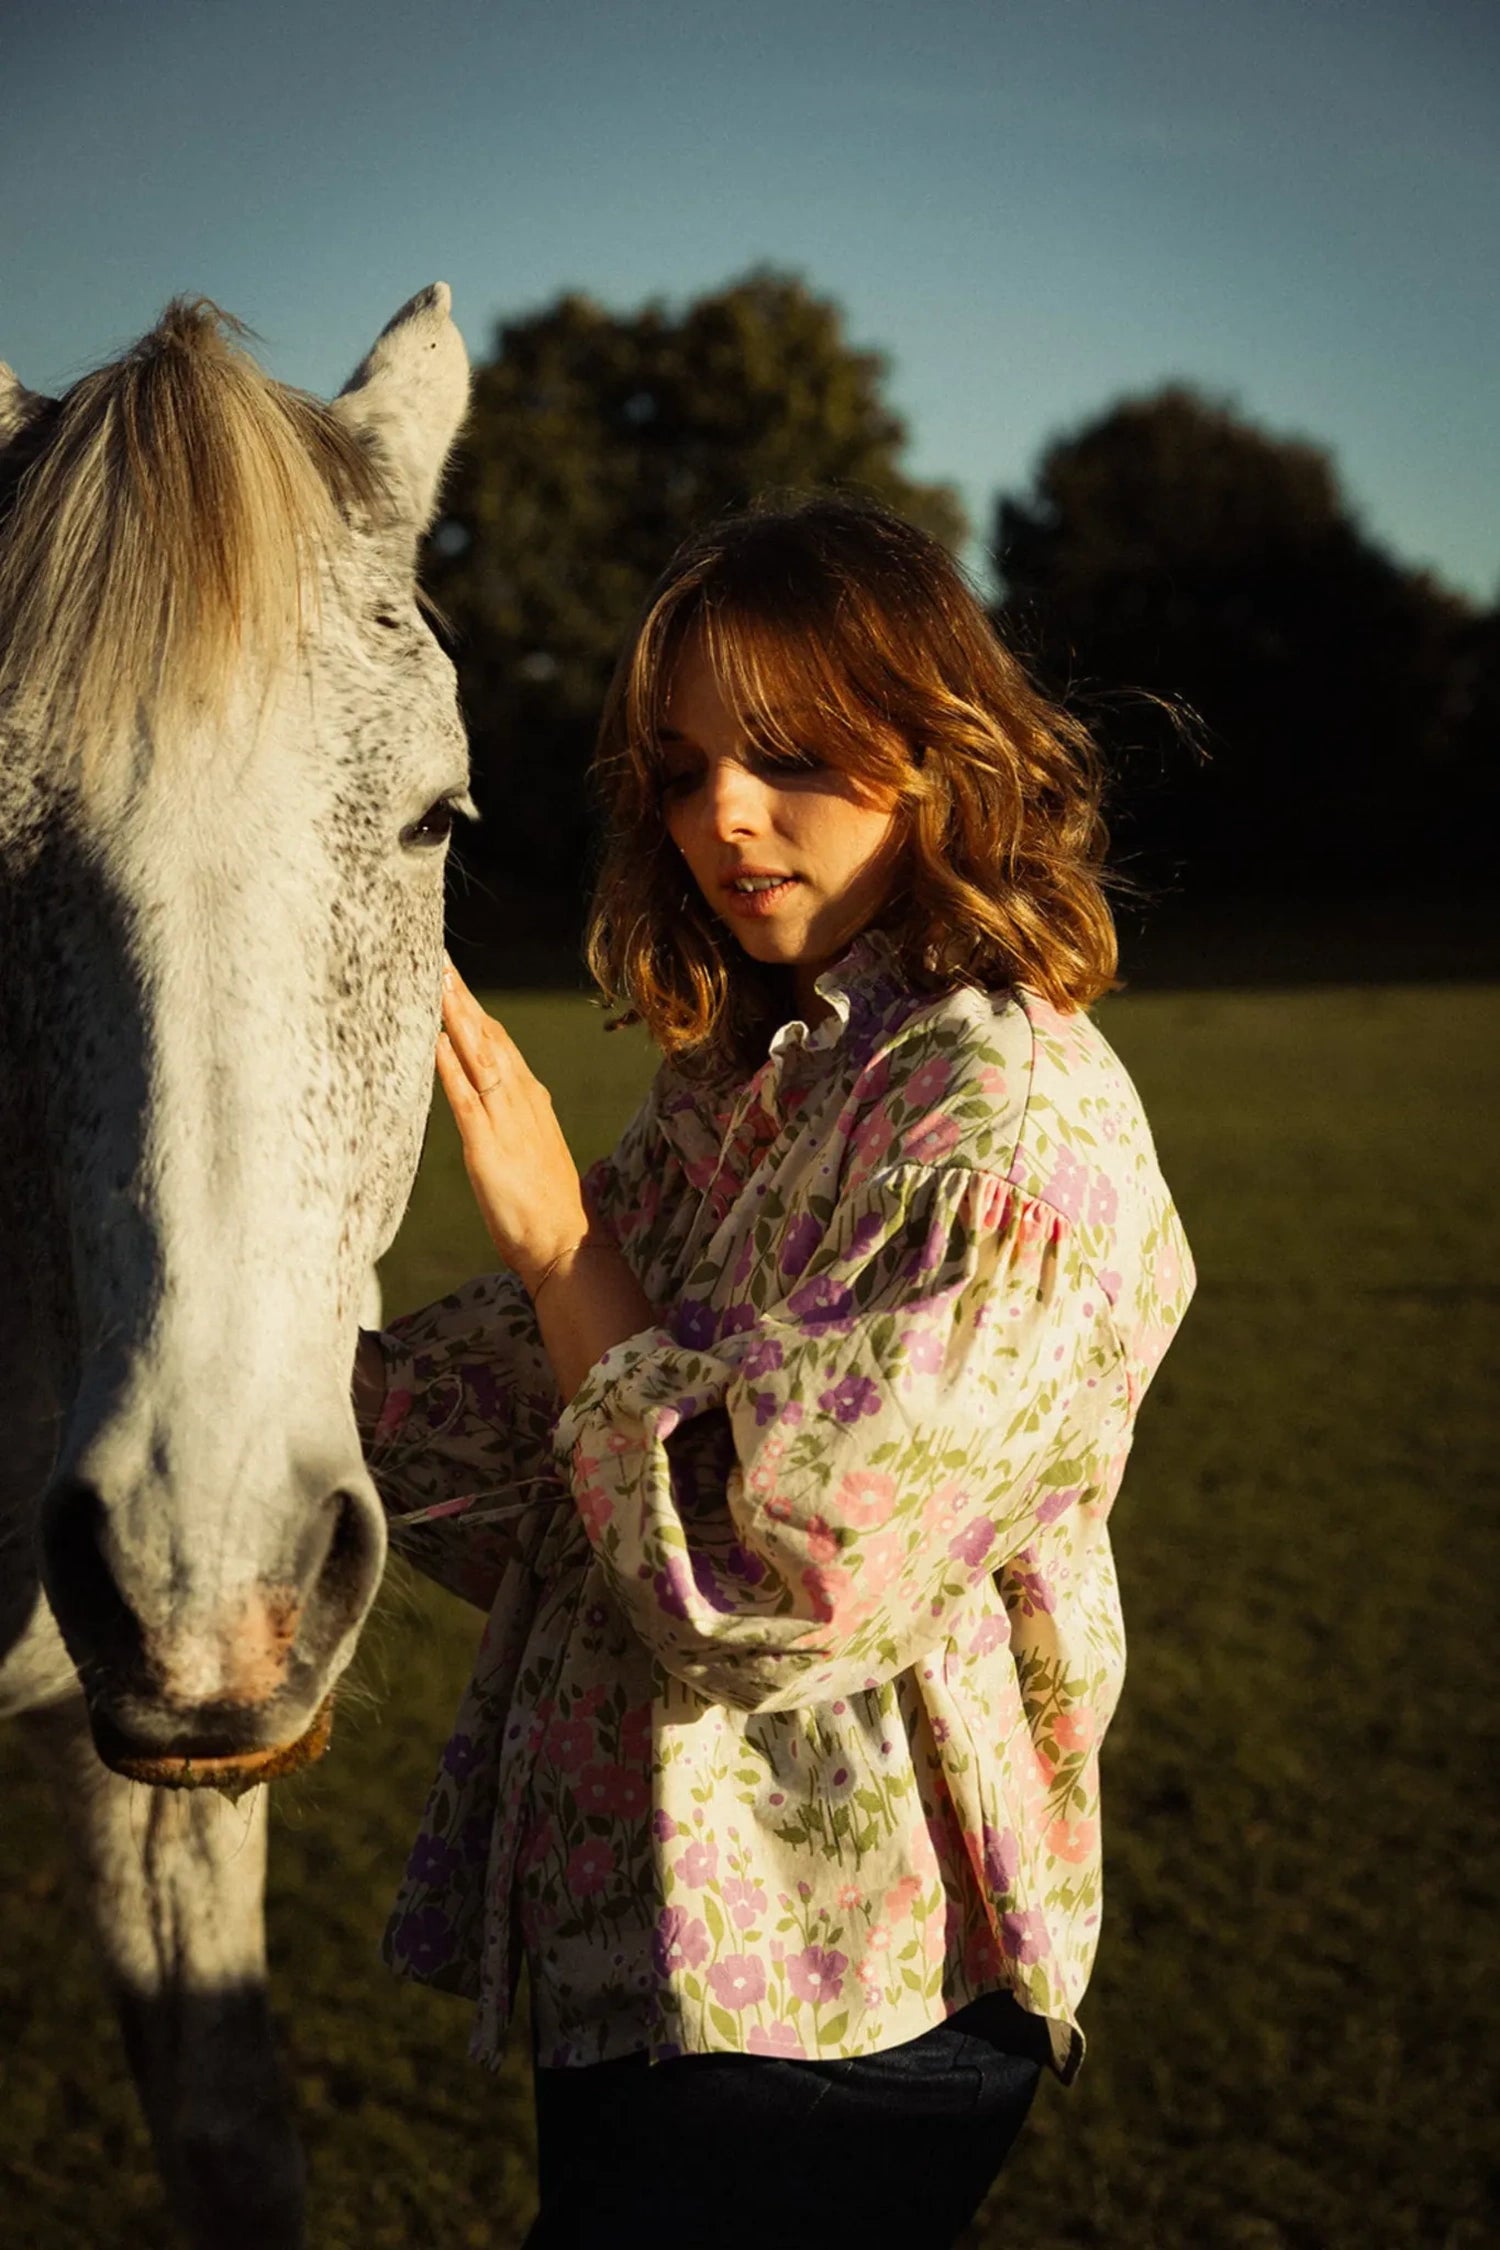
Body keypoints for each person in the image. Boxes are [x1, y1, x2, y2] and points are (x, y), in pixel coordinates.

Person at [356, 495, 1194, 2248]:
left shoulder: (998, 1123)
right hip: (664, 1958)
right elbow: (521, 1415)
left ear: (940, 744)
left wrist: (564, 1247)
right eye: (680, 771)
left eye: (790, 753)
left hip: (845, 1994)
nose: (723, 815)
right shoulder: (766, 1076)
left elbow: (778, 1572)